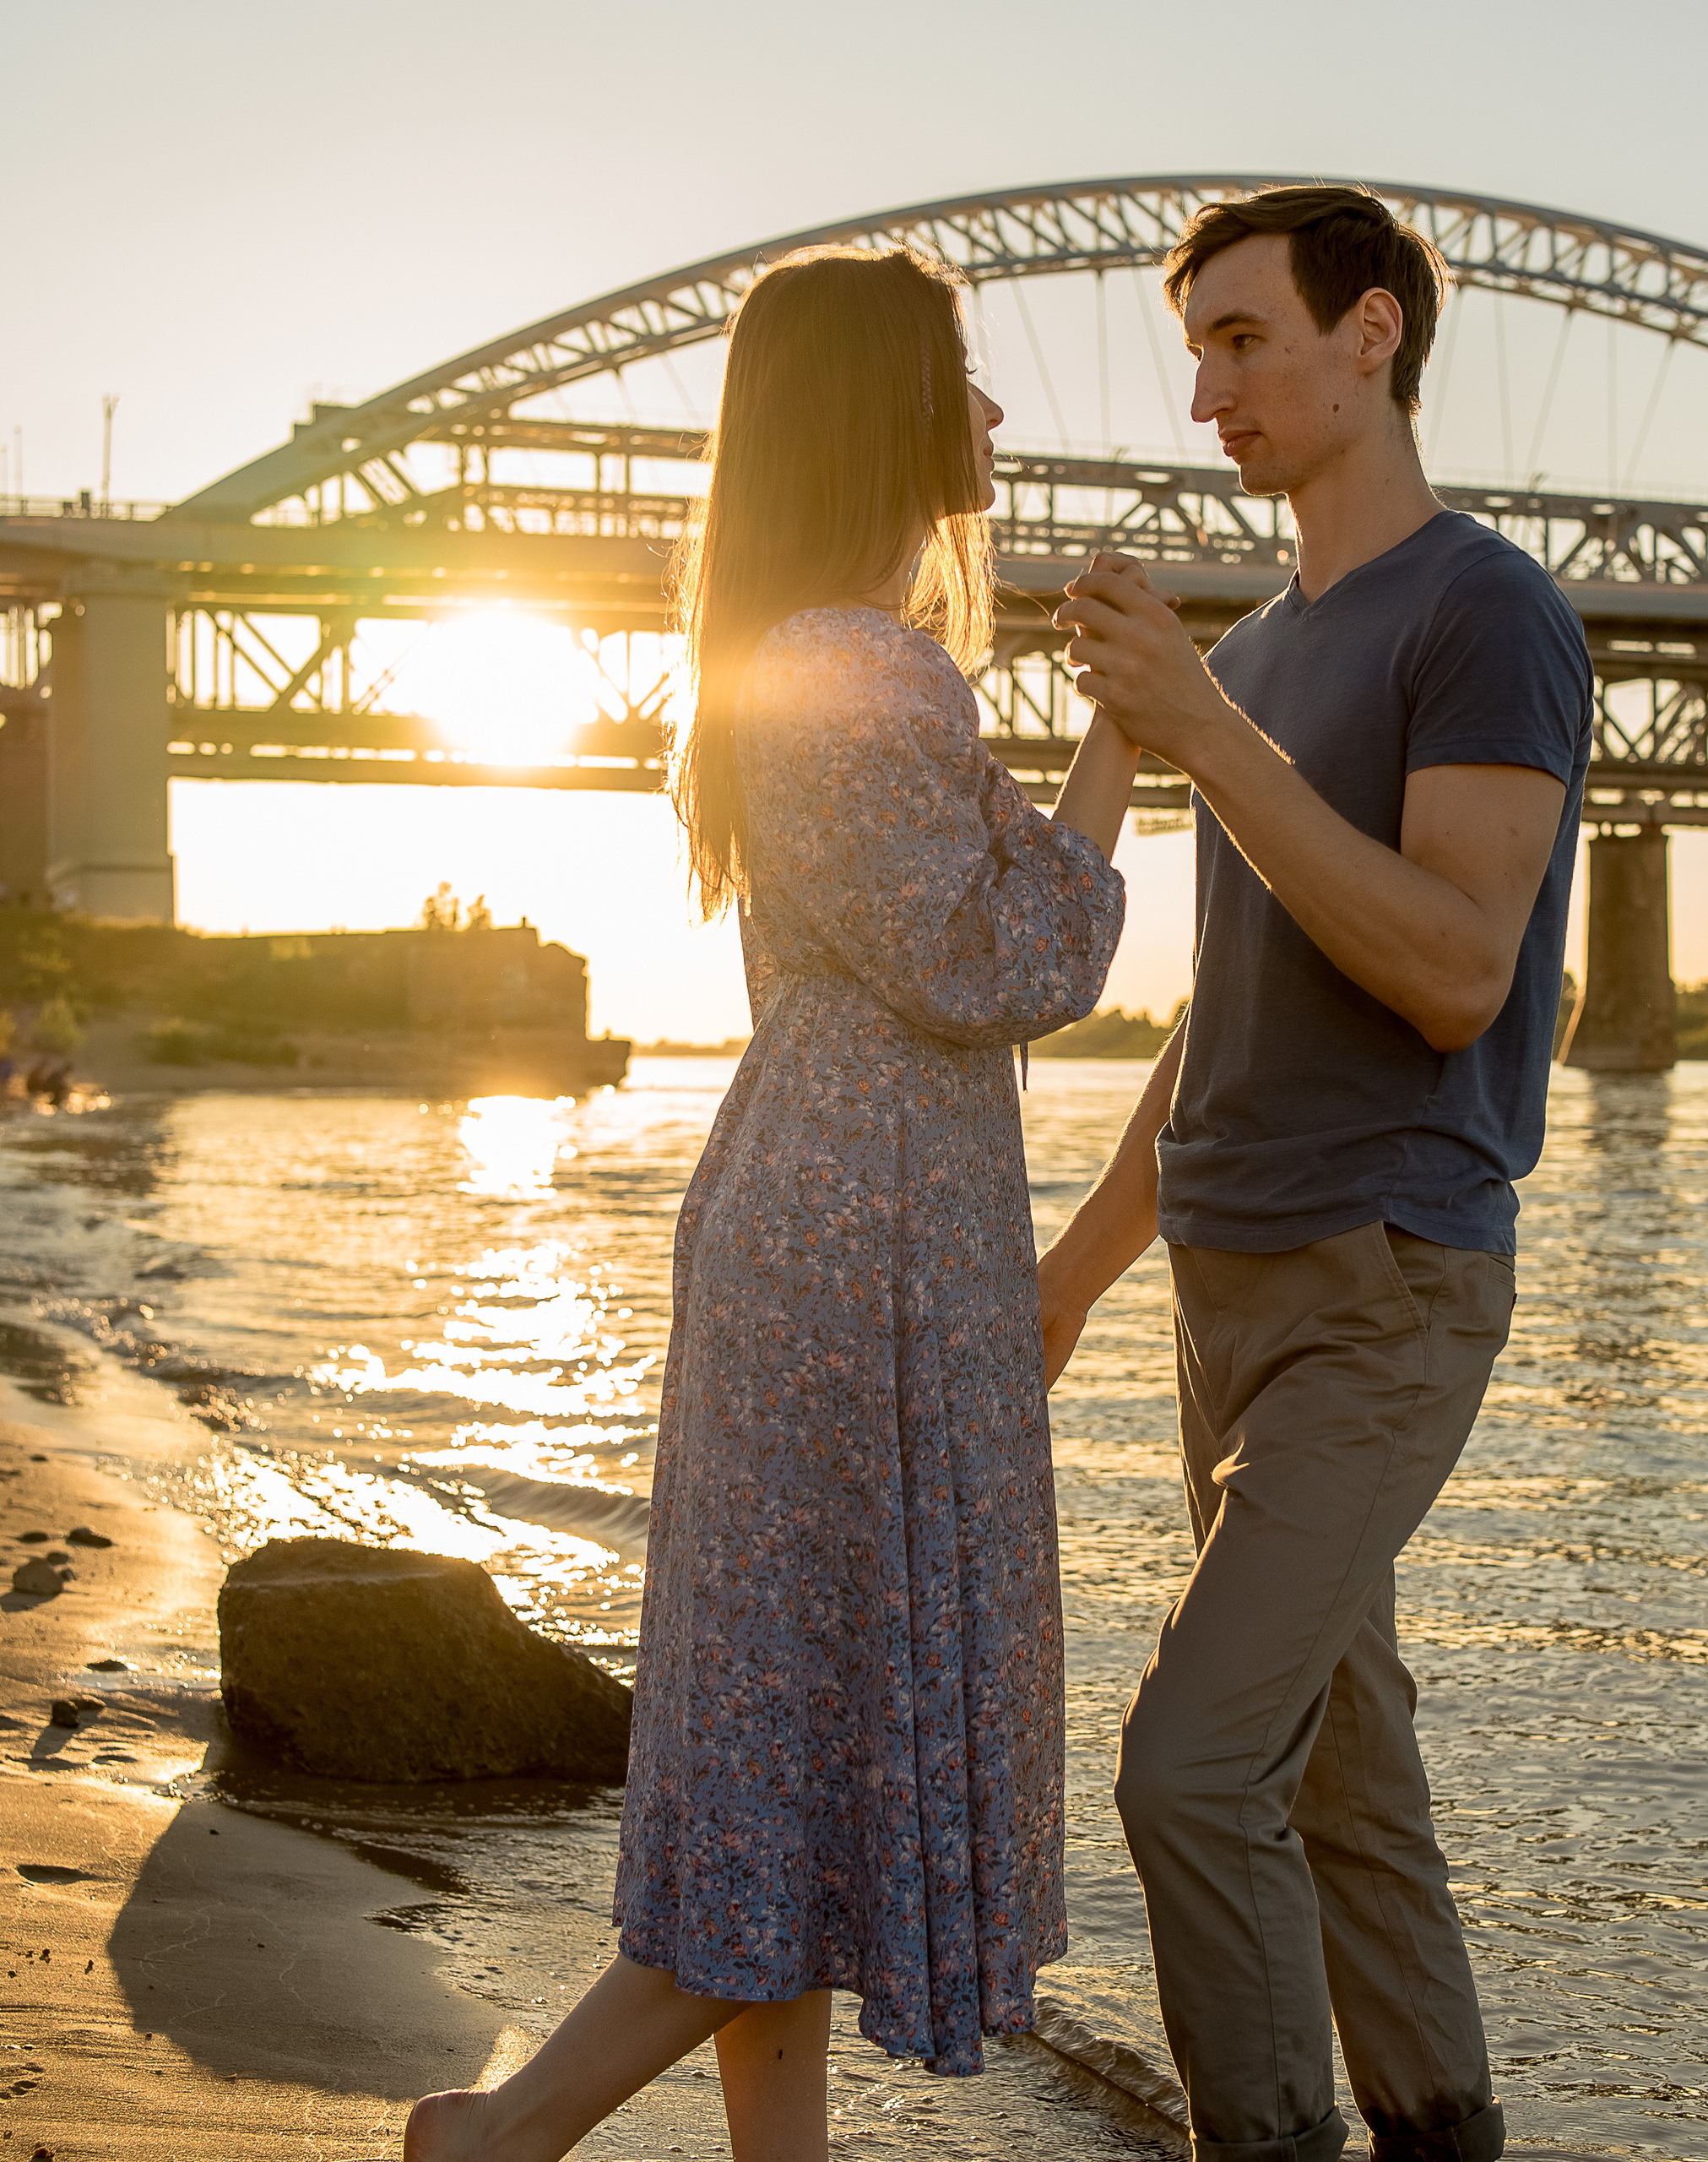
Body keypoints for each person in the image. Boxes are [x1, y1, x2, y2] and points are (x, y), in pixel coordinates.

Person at [407, 245, 1140, 2162]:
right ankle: (496, 2139)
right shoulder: (859, 666)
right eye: (960, 380)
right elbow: (1002, 959)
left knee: (790, 1746)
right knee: (801, 1760)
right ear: (878, 408)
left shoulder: (808, 653)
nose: (991, 416)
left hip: (830, 1206)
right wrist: (1131, 738)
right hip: (866, 1236)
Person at [1042, 187, 1594, 2162]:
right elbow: (1228, 1020)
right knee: (1343, 1775)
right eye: (1193, 350)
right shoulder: (1264, 649)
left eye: (1243, 339)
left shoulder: (1483, 610)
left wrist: (1199, 736)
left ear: (1370, 336)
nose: (1205, 392)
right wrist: (1075, 1270)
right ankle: (1443, 2129)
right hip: (1223, 1292)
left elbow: (1453, 965)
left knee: (1188, 1772)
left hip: (1384, 1280)